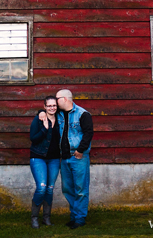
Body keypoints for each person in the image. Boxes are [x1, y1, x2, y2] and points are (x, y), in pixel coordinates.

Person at [41, 89, 93, 229]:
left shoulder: (83, 114)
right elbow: (44, 112)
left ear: (64, 99)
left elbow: (88, 133)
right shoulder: (59, 114)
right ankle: (74, 216)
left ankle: (80, 219)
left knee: (81, 189)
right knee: (68, 189)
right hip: (64, 158)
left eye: (57, 99)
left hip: (78, 157)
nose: (55, 103)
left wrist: (80, 150)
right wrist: (40, 113)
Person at [29, 95, 60, 229]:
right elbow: (33, 139)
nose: (52, 108)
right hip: (38, 157)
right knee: (41, 187)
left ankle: (46, 218)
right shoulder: (39, 119)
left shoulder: (60, 119)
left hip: (54, 159)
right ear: (44, 107)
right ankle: (34, 218)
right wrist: (45, 128)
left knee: (49, 189)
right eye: (49, 106)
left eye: (54, 105)